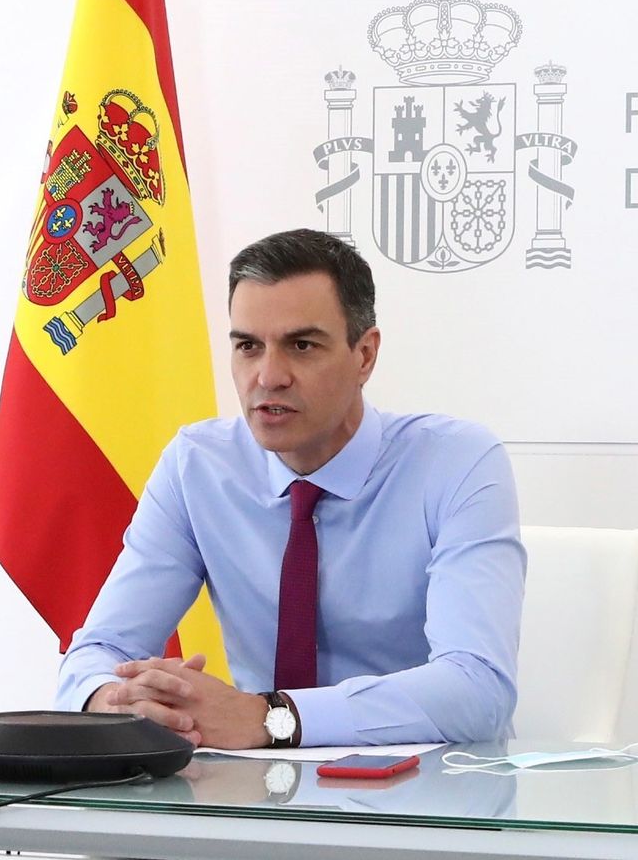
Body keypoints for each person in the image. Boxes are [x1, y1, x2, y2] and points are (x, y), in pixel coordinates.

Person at [55, 229, 525, 748]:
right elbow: (98, 650)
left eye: (302, 346)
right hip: (257, 793)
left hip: (428, 798)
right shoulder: (198, 466)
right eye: (248, 347)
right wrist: (116, 700)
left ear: (364, 355)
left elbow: (479, 690)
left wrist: (271, 718)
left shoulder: (456, 462)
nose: (268, 376)